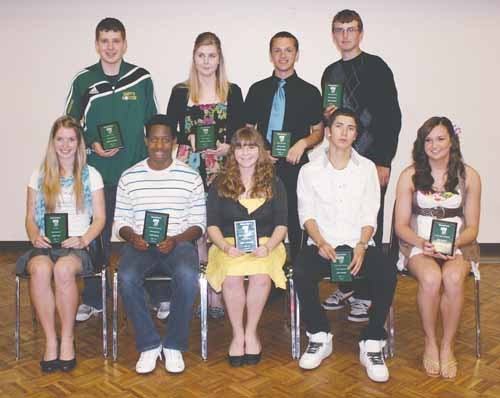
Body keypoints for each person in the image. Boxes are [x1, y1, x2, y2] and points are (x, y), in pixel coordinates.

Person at [64, 17, 165, 322]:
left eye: (116, 41)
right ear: (97, 44)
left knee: (149, 234)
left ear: (124, 43)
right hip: (100, 177)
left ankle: (158, 294)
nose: (110, 47)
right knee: (97, 237)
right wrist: (93, 143)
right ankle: (94, 298)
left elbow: (155, 125)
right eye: (104, 41)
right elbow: (69, 126)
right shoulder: (84, 80)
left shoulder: (141, 78)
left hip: (137, 176)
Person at [293, 109, 397, 383]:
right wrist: (320, 242)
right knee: (302, 270)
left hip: (358, 243)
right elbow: (307, 214)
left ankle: (372, 340)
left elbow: (369, 212)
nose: (343, 132)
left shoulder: (367, 170)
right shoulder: (309, 170)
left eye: (350, 128)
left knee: (386, 271)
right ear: (328, 131)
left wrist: (362, 245)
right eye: (338, 126)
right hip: (322, 243)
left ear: (356, 134)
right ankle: (319, 334)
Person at [320, 9, 402, 321]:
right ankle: (346, 283)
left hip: (370, 161)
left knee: (367, 225)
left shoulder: (377, 67)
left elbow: (391, 117)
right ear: (333, 34)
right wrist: (328, 116)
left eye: (350, 29)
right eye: (339, 30)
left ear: (360, 33)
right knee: (337, 221)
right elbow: (332, 120)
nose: (345, 35)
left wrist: (384, 161)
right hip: (340, 161)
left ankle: (366, 292)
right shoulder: (330, 72)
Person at [115, 114, 206, 374]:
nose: (159, 146)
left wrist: (175, 239)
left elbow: (198, 223)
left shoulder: (190, 177)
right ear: (146, 141)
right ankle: (148, 345)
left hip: (178, 244)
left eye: (165, 140)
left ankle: (174, 345)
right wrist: (133, 237)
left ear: (174, 143)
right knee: (126, 276)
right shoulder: (129, 176)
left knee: (189, 276)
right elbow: (120, 221)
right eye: (154, 139)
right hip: (139, 244)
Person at [16, 116, 105, 372]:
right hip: (45, 244)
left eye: (71, 139)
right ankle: (50, 340)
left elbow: (99, 218)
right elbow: (30, 217)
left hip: (78, 244)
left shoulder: (92, 175)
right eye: (60, 139)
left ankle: (67, 338)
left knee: (63, 270)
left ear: (79, 143)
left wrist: (84, 238)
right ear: (52, 142)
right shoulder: (39, 174)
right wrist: (34, 235)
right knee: (41, 269)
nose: (65, 145)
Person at [394, 116, 481, 379]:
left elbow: (473, 228)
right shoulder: (409, 175)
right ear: (421, 144)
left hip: (459, 244)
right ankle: (430, 341)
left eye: (441, 138)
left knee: (453, 277)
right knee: (432, 278)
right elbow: (400, 225)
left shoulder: (470, 176)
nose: (434, 145)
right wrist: (423, 243)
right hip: (418, 243)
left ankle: (448, 345)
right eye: (428, 140)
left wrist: (454, 244)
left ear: (452, 141)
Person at [166, 31, 244, 318]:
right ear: (194, 57)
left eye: (212, 56)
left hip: (223, 168)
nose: (206, 61)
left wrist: (228, 147)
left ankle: (216, 294)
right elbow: (170, 131)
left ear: (219, 58)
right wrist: (188, 138)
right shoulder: (180, 91)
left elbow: (240, 133)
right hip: (190, 167)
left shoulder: (232, 91)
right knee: (195, 229)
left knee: (218, 229)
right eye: (201, 55)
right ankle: (194, 292)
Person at [205, 127, 288, 367]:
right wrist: (224, 247)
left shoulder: (275, 182)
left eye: (251, 147)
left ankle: (251, 332)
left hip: (266, 245)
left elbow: (282, 225)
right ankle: (237, 334)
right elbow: (212, 225)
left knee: (261, 277)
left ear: (260, 150)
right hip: (228, 245)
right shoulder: (219, 182)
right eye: (240, 147)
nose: (245, 152)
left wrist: (269, 247)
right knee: (231, 278)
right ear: (233, 151)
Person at [244, 31, 323, 260]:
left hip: (295, 165)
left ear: (296, 54)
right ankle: (263, 266)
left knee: (296, 218)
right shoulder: (257, 89)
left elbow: (318, 132)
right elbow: (248, 129)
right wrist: (260, 151)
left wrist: (302, 144)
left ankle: (296, 270)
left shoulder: (310, 92)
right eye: (277, 50)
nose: (283, 55)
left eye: (288, 50)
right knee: (261, 215)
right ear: (271, 55)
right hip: (261, 165)